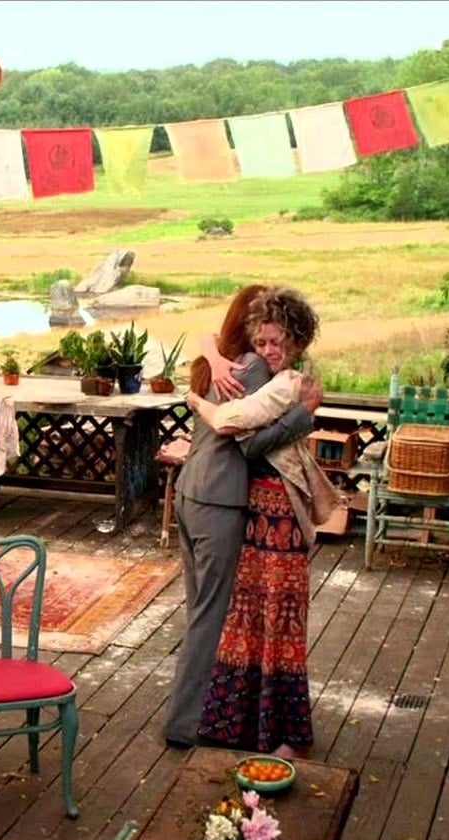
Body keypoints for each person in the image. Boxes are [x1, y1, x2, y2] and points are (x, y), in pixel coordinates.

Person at [164, 285, 321, 749]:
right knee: (210, 616)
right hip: (219, 499)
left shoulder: (221, 363)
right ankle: (187, 725)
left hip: (191, 493)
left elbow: (204, 337)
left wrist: (209, 358)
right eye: (262, 334)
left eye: (275, 338)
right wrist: (304, 414)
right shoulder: (250, 369)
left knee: (200, 608)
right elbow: (249, 443)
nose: (268, 344)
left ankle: (204, 713)